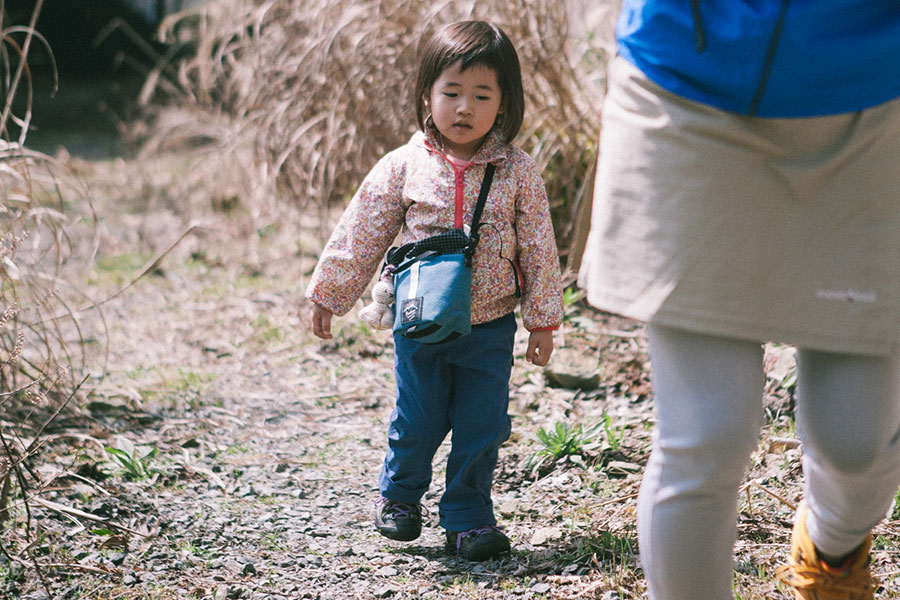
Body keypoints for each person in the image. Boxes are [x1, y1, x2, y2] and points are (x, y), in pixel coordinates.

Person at [578, 2, 900, 599]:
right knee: (707, 433)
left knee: (855, 440)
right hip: (685, 87)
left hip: (873, 98)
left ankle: (831, 553)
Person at [306, 20, 564, 561]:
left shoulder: (517, 172)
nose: (464, 107)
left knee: (483, 425)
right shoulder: (404, 166)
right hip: (420, 322)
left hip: (489, 327)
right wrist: (331, 291)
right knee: (418, 419)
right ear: (427, 95)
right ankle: (400, 497)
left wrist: (543, 320)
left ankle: (468, 519)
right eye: (451, 92)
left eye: (481, 95)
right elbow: (363, 229)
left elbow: (539, 248)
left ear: (504, 103)